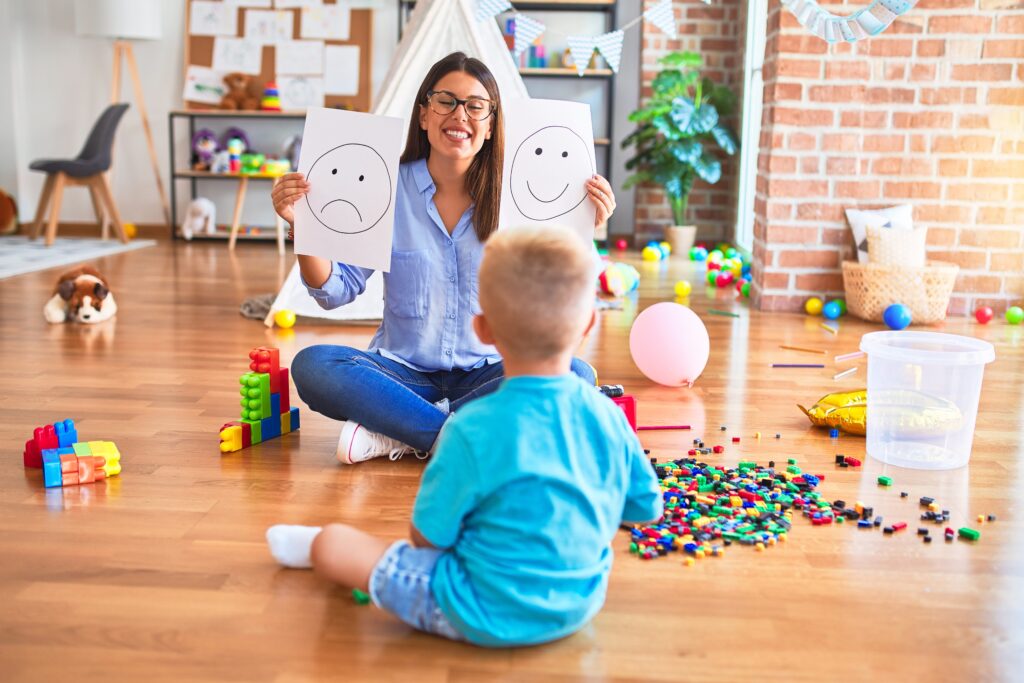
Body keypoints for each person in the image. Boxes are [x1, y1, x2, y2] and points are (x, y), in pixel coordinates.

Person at [266, 226, 662, 647]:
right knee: (318, 364)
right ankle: (404, 426)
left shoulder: (471, 430)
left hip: (470, 606)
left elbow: (427, 539)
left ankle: (393, 435)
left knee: (334, 544)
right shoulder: (608, 416)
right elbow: (644, 509)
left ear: (483, 329)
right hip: (579, 605)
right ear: (589, 323)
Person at [271, 52, 618, 464]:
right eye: (446, 101)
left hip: (490, 373)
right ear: (424, 114)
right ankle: (459, 435)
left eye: (476, 106)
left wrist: (582, 229)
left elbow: (553, 295)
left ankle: (401, 433)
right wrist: (306, 228)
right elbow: (335, 292)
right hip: (400, 376)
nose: (460, 115)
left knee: (576, 374)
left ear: (491, 125)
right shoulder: (386, 186)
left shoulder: (521, 197)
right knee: (313, 365)